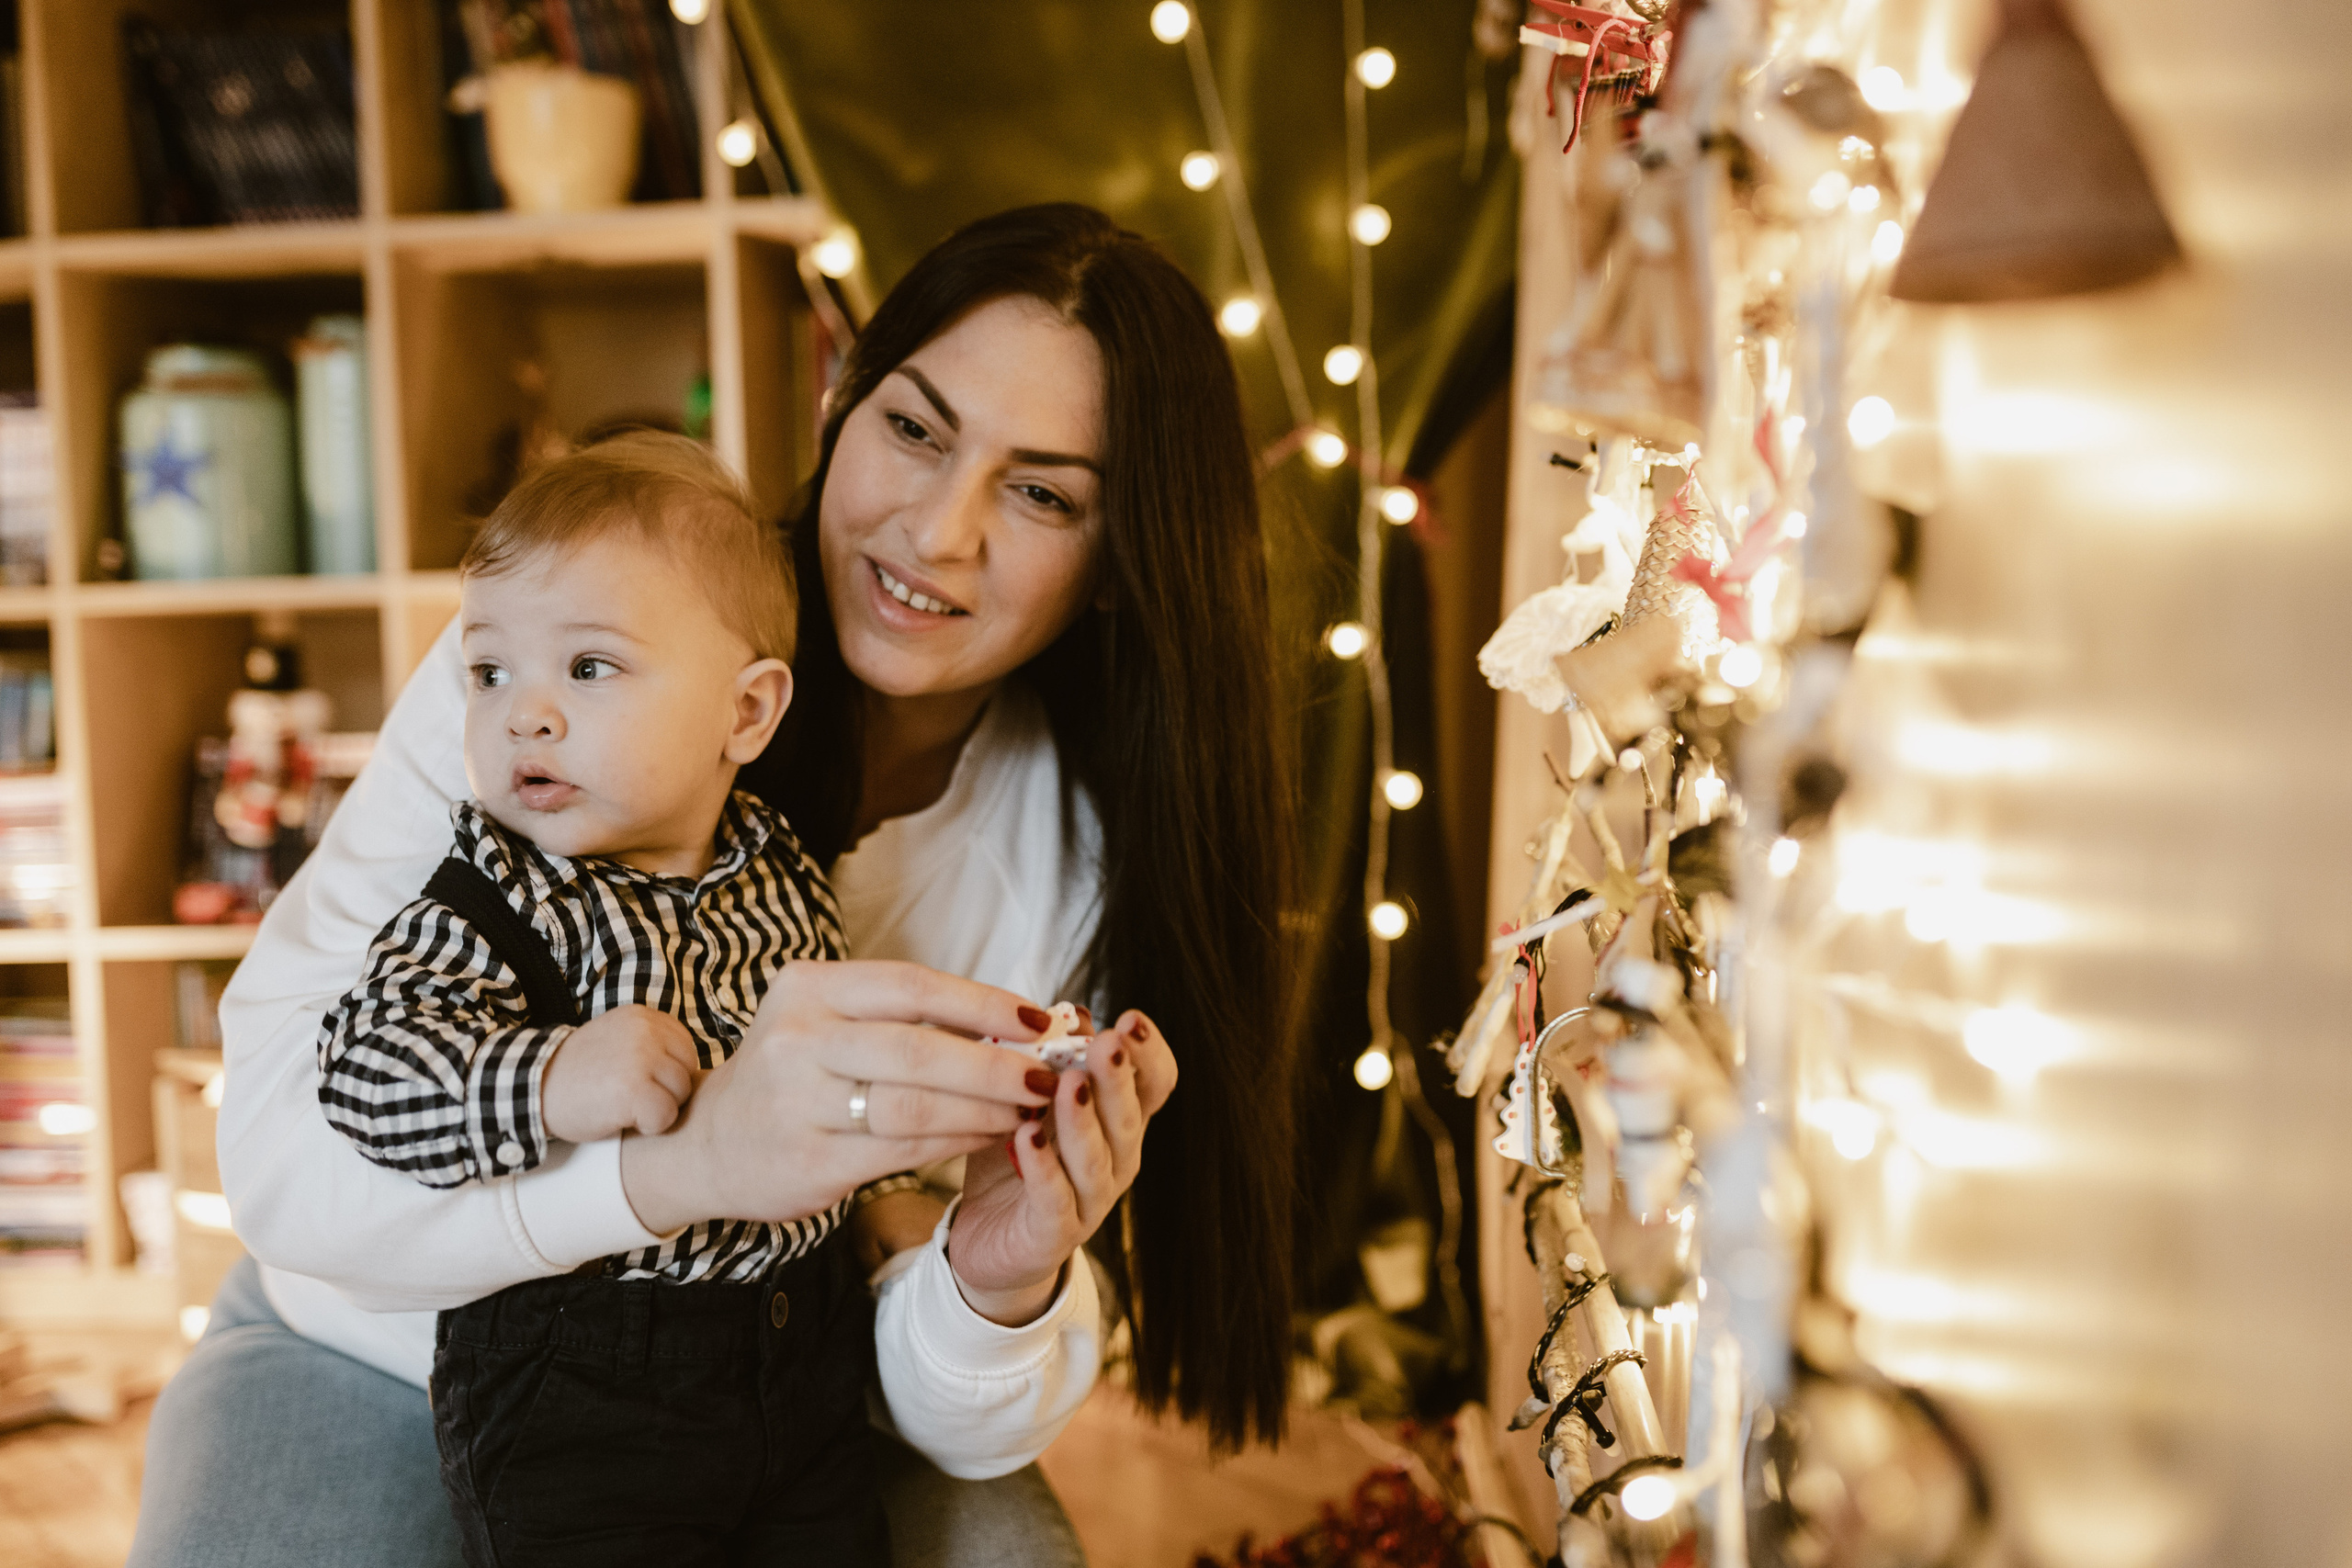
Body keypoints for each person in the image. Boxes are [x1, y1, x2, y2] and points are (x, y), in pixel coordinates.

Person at [130, 203, 1298, 1568]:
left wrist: (994, 1278)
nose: (938, 530)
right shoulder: (557, 660)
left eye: (1041, 492)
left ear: (1120, 563)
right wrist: (678, 1171)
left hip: (770, 1400)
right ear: (842, 400)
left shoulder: (1085, 848)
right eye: (915, 430)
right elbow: (285, 1165)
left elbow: (949, 1413)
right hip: (382, 1330)